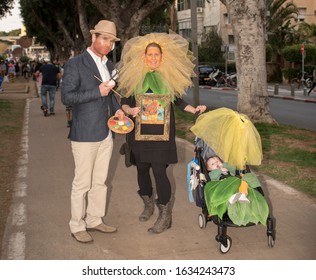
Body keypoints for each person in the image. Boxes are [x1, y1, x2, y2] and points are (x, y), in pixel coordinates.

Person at [117, 32, 207, 234]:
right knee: (141, 169)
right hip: (138, 134)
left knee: (159, 171)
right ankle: (147, 203)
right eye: (150, 55)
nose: (153, 58)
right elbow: (124, 102)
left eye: (157, 55)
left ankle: (165, 215)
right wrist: (129, 111)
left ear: (162, 57)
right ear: (144, 56)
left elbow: (179, 102)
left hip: (161, 135)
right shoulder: (134, 77)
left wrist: (193, 110)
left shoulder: (168, 79)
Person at [61, 20, 124, 244]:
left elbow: (109, 96)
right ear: (94, 37)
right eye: (104, 38)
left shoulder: (108, 65)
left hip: (107, 133)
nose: (107, 44)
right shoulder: (76, 64)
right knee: (82, 183)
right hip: (85, 133)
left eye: (111, 41)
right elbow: (67, 97)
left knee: (100, 182)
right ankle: (77, 225)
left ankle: (94, 219)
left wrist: (118, 112)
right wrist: (97, 91)